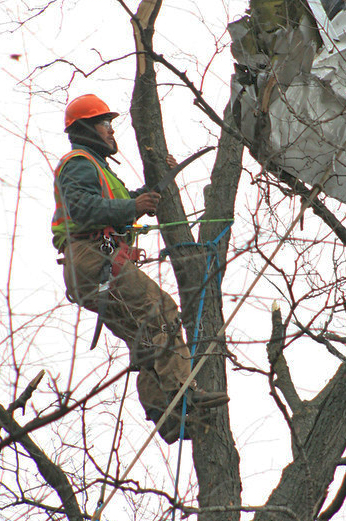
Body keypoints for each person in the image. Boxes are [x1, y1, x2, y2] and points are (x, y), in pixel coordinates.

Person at [52, 93, 227, 443]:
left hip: (92, 261)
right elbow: (85, 209)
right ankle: (182, 389)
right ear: (87, 128)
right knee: (160, 310)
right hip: (92, 256)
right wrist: (133, 207)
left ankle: (166, 412)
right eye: (106, 125)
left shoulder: (100, 170)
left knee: (145, 336)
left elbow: (114, 202)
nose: (111, 133)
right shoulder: (80, 163)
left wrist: (150, 190)